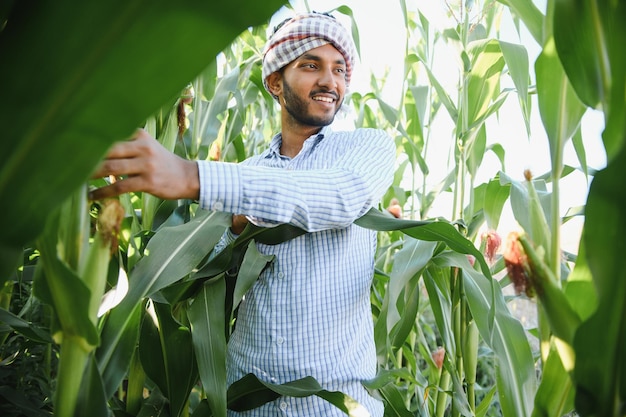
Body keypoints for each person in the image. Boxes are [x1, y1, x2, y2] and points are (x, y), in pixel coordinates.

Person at [91, 11, 396, 417]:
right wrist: (230, 231)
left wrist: (191, 175)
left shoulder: (367, 149)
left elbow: (341, 197)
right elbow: (200, 270)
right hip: (244, 402)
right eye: (311, 65)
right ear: (274, 81)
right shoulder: (249, 172)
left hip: (333, 405)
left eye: (339, 69)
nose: (330, 80)